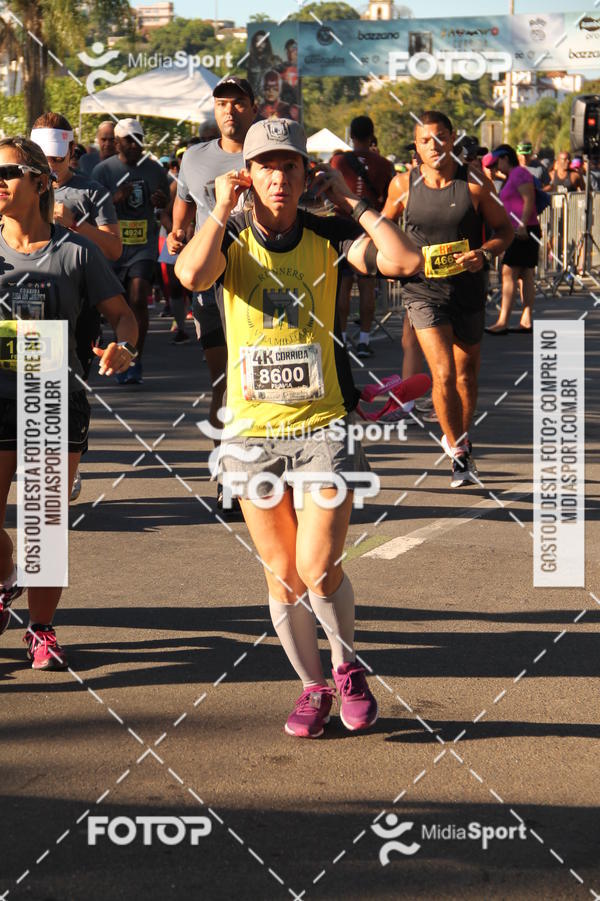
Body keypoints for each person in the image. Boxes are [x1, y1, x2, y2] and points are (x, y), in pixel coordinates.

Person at [175, 118, 422, 738]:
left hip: (322, 429)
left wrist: (353, 202)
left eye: (289, 166)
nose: (279, 178)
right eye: (266, 167)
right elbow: (191, 277)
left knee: (318, 567)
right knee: (283, 575)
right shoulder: (229, 237)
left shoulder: (330, 234)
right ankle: (313, 686)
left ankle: (347, 667)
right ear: (247, 175)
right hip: (250, 437)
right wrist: (218, 210)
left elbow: (403, 259)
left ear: (304, 173)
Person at [0, 135, 138, 667]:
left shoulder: (75, 251)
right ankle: (8, 574)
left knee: (42, 521)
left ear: (39, 182)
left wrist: (124, 347)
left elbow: (121, 314)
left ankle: (40, 628)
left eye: (7, 172)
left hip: (53, 394)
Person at [398, 111, 513, 487]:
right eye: (426, 140)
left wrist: (485, 253)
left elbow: (505, 229)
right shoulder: (404, 185)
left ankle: (462, 438)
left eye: (441, 137)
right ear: (416, 146)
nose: (434, 145)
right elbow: (380, 226)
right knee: (443, 372)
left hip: (468, 290)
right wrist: (388, 261)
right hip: (423, 292)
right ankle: (460, 453)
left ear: (452, 139)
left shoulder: (475, 182)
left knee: (466, 376)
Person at [167, 77, 257, 509]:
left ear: (253, 108)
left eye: (238, 103)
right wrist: (177, 231)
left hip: (261, 279)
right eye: (222, 103)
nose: (229, 111)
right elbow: (183, 200)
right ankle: (226, 468)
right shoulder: (195, 156)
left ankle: (264, 465)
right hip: (210, 279)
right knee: (223, 380)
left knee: (255, 377)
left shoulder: (269, 154)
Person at [31, 111, 123, 501]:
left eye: (55, 157)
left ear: (71, 151)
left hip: (81, 306)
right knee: (25, 388)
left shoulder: (92, 192)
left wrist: (75, 226)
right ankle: (42, 465)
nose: (49, 166)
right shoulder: (18, 187)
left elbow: (114, 249)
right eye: (41, 157)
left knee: (70, 389)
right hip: (29, 305)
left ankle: (69, 457)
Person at [92, 118, 170, 384]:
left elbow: (165, 201)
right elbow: (92, 209)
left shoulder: (154, 170)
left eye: (138, 139)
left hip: (142, 247)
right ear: (116, 142)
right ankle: (115, 349)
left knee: (138, 297)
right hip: (112, 247)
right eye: (128, 140)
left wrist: (161, 202)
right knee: (113, 305)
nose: (134, 145)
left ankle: (133, 356)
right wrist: (114, 199)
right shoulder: (103, 171)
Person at [331, 115, 395, 357]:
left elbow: (329, 191)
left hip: (341, 227)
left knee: (343, 287)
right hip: (369, 228)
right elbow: (388, 200)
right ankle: (364, 341)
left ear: (351, 135)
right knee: (367, 286)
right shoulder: (383, 164)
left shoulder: (338, 161)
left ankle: (343, 338)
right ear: (372, 135)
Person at [483, 144, 541, 336]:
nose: (496, 167)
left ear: (506, 158)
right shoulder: (513, 176)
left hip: (522, 229)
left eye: (498, 162)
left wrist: (522, 224)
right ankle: (525, 320)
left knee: (509, 272)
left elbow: (529, 199)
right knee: (525, 275)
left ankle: (503, 321)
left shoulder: (519, 174)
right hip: (522, 228)